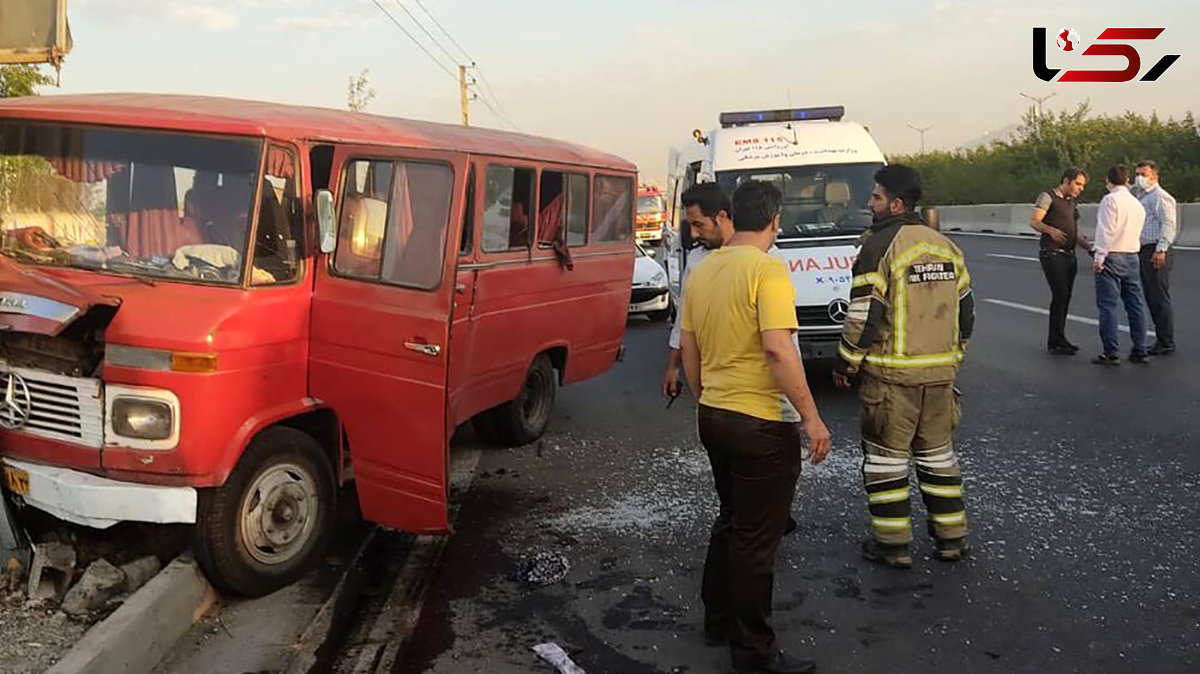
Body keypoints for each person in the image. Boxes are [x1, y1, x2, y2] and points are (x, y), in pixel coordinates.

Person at [679, 180, 832, 674]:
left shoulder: (702, 273)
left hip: (714, 415)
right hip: (761, 423)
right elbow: (777, 348)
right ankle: (753, 653)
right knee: (756, 540)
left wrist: (708, 398)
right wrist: (811, 417)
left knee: (730, 520)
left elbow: (690, 351)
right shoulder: (769, 271)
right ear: (775, 220)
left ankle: (717, 618)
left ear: (731, 216)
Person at [833, 164, 974, 568]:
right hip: (940, 377)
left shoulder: (879, 247)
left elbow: (863, 316)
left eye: (875, 197)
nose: (869, 203)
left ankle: (892, 546)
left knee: (886, 463)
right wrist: (953, 356)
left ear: (895, 203)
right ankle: (952, 539)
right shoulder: (946, 247)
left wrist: (847, 362)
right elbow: (966, 313)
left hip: (892, 379)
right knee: (938, 458)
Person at [663, 182, 799, 535]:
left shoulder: (766, 260)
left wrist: (704, 398)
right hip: (740, 404)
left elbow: (779, 342)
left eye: (699, 225)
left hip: (740, 401)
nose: (694, 234)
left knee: (751, 502)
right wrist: (674, 367)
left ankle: (759, 524)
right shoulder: (704, 262)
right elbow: (686, 328)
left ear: (724, 217)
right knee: (745, 513)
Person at [1029, 168, 1092, 354]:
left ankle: (1059, 338)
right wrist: (1051, 231)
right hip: (1052, 253)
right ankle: (1056, 340)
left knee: (1065, 297)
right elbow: (1034, 221)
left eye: (1082, 186)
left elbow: (1075, 230)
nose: (1080, 189)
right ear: (1066, 180)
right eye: (1078, 184)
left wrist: (1089, 248)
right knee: (1061, 294)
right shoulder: (1048, 197)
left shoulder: (1071, 203)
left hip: (1069, 255)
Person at [1092, 165, 1149, 365]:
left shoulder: (1109, 201)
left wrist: (1099, 257)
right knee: (1135, 304)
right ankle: (1140, 349)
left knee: (1107, 305)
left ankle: (1110, 351)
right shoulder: (1137, 204)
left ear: (1109, 180)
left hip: (1112, 255)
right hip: (1132, 255)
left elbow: (1106, 231)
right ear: (1126, 181)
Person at [1135, 160, 1178, 355]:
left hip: (1156, 249)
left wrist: (1161, 250)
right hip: (1144, 249)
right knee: (1151, 295)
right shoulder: (1141, 196)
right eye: (1138, 174)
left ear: (1155, 176)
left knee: (1159, 296)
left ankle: (1166, 340)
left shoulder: (1161, 197)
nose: (1140, 178)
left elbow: (1168, 225)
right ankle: (1161, 337)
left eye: (1144, 174)